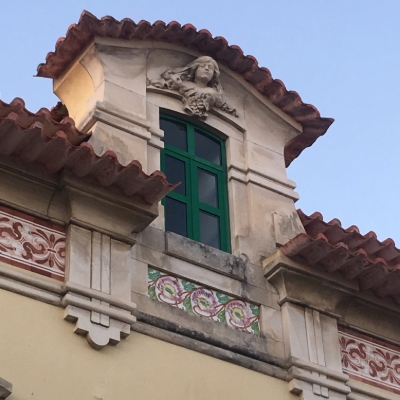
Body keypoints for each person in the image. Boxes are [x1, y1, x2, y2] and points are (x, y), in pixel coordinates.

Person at [151, 56, 237, 119]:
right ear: (194, 69)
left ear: (213, 75)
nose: (206, 69)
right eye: (202, 66)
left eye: (210, 68)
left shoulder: (216, 95)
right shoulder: (184, 84)